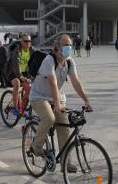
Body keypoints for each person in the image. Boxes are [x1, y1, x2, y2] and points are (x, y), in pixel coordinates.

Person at [29, 34, 91, 172]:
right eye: (65, 45)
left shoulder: (69, 61)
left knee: (64, 126)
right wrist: (57, 103)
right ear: (57, 47)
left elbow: (75, 81)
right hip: (39, 97)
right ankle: (36, 147)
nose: (68, 48)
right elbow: (53, 82)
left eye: (70, 45)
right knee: (49, 118)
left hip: (57, 97)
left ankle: (66, 162)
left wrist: (86, 99)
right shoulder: (49, 60)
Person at [5, 33, 35, 113]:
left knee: (29, 88)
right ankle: (15, 108)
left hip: (25, 72)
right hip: (12, 71)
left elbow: (38, 61)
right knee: (17, 83)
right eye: (25, 41)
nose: (28, 43)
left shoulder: (32, 50)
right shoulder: (17, 51)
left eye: (29, 41)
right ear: (21, 41)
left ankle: (22, 105)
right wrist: (20, 76)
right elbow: (16, 64)